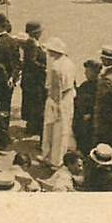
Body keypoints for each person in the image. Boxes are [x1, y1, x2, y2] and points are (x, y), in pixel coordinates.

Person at [40, 36, 75, 169]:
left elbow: (56, 89)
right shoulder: (69, 63)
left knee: (52, 130)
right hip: (68, 98)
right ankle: (59, 158)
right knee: (63, 130)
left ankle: (52, 158)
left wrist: (56, 105)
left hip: (57, 100)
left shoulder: (55, 67)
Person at [0, 13, 20, 150]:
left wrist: (3, 78)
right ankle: (4, 132)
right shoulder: (13, 41)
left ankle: (3, 135)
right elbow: (17, 62)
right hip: (10, 81)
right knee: (5, 107)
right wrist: (13, 77)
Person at [20, 21, 47, 139]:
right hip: (33, 80)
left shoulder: (32, 43)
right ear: (35, 33)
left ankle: (31, 125)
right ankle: (33, 126)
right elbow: (32, 62)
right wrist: (44, 67)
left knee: (31, 102)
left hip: (30, 79)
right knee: (35, 103)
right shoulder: (32, 44)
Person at [73, 59, 101, 155]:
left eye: (87, 71)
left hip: (89, 122)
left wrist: (90, 114)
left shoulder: (99, 87)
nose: (85, 73)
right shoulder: (85, 85)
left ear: (95, 72)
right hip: (80, 119)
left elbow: (99, 103)